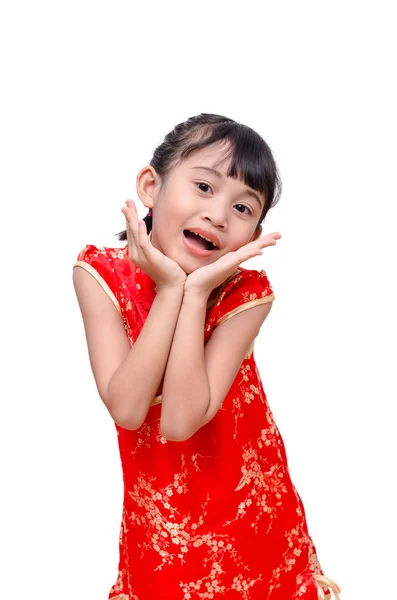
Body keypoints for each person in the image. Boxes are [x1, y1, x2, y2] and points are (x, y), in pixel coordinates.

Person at [73, 113, 342, 600]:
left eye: (243, 208)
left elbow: (179, 419)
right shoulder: (99, 275)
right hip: (160, 521)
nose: (219, 215)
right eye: (203, 186)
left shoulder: (246, 294)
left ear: (254, 235)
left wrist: (194, 295)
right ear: (151, 187)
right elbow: (129, 409)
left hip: (249, 515)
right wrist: (173, 288)